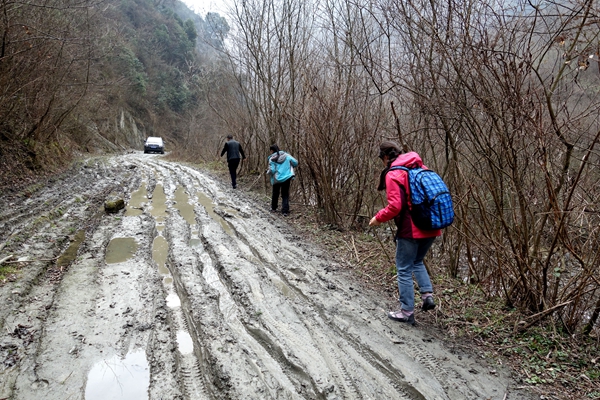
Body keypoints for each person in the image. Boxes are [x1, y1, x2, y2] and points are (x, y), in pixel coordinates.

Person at [369, 141, 441, 325]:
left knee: (403, 268)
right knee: (417, 261)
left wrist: (378, 218)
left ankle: (406, 311)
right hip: (433, 224)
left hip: (412, 228)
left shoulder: (394, 173)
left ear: (385, 157)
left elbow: (395, 206)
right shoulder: (420, 167)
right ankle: (427, 295)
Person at [267, 144, 298, 216]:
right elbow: (295, 162)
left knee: (275, 193)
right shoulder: (287, 155)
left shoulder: (271, 158)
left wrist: (268, 172)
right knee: (285, 194)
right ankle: (285, 211)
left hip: (276, 178)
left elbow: (272, 170)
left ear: (272, 150)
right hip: (287, 177)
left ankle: (273, 208)